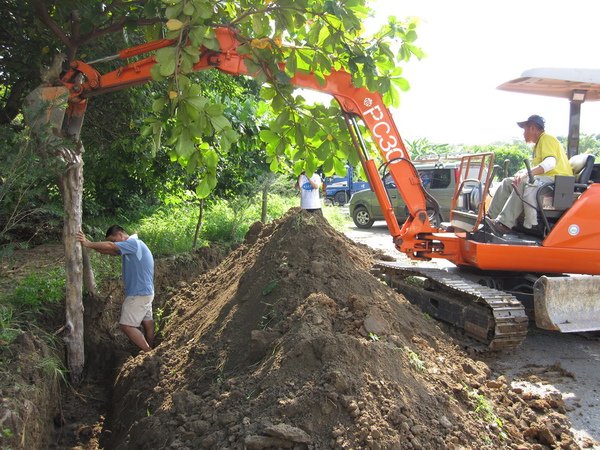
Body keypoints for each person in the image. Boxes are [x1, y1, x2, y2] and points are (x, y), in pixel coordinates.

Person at [486, 115, 573, 235]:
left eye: (525, 129)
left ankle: (504, 224)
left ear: (532, 128)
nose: (523, 133)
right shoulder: (538, 144)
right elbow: (538, 168)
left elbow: (550, 163)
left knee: (523, 181)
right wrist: (522, 173)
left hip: (556, 182)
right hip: (546, 181)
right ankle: (490, 218)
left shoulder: (547, 139)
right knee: (508, 182)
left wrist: (526, 174)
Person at [76, 225, 155, 352]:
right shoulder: (133, 247)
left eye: (113, 240)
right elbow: (109, 250)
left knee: (126, 326)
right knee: (147, 322)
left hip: (138, 293)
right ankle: (152, 347)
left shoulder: (133, 243)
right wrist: (89, 245)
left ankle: (149, 353)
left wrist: (88, 243)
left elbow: (111, 247)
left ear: (120, 234)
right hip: (146, 292)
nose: (113, 243)